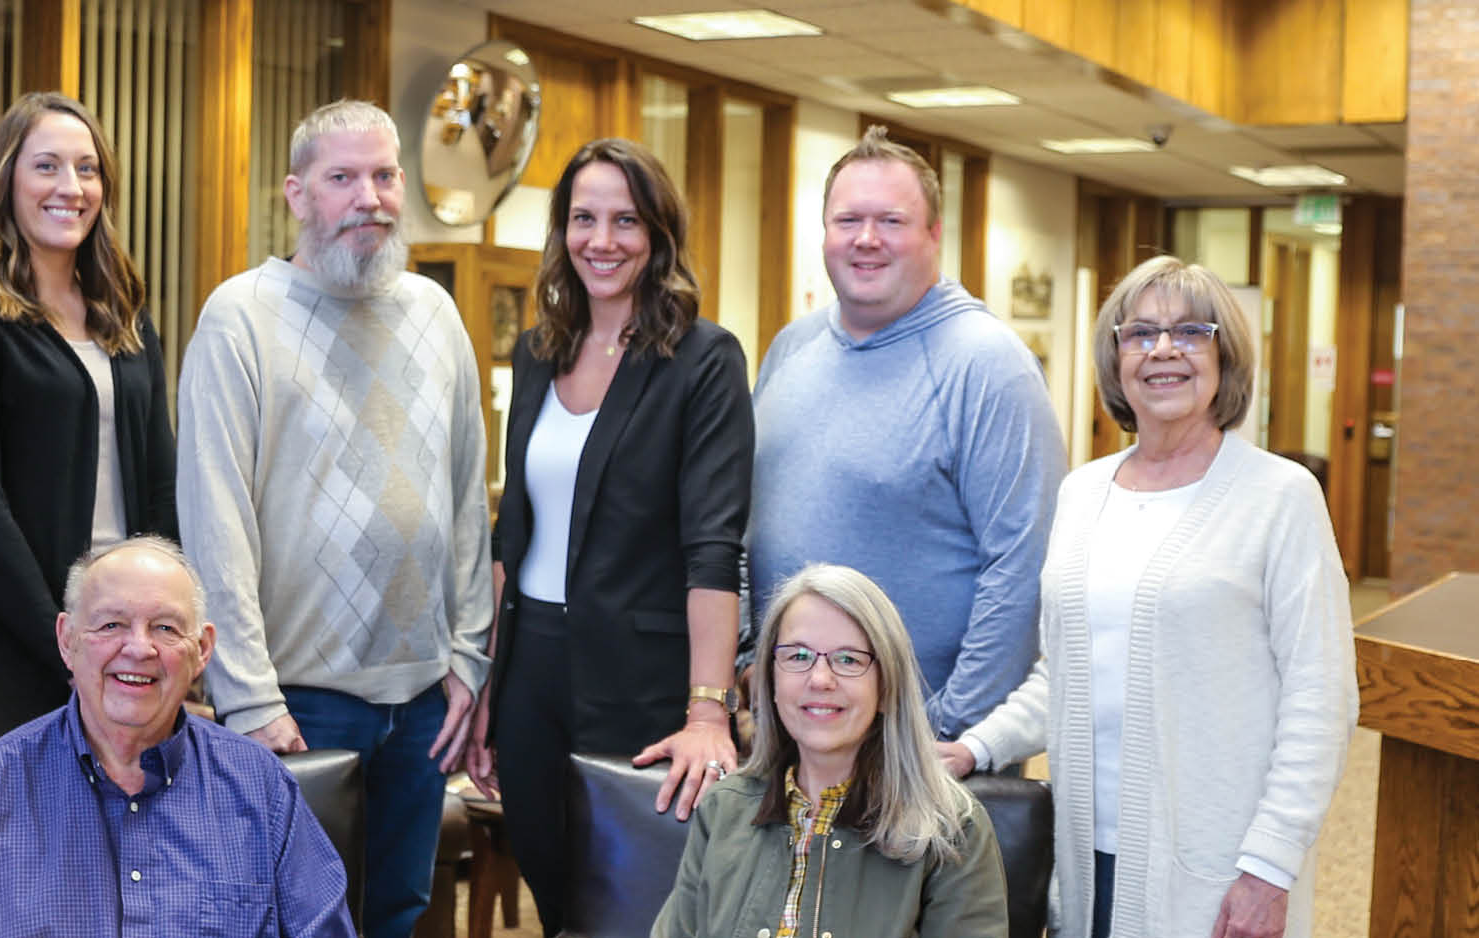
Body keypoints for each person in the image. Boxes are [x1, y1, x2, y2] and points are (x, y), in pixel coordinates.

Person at [943, 256, 1357, 938]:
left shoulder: (1279, 497)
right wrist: (976, 746)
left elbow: (1322, 697)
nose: (1163, 350)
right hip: (1084, 856)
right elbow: (1067, 672)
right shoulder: (1083, 493)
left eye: (1191, 331)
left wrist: (1270, 867)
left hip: (1218, 867)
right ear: (1116, 359)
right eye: (1140, 333)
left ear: (1225, 356)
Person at [176, 99, 493, 938]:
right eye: (343, 178)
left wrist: (467, 656)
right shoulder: (240, 317)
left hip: (424, 699)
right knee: (287, 921)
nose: (371, 198)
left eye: (385, 176)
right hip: (299, 702)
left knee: (398, 913)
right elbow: (216, 520)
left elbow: (467, 498)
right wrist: (246, 697)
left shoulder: (436, 313)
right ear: (296, 193)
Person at [464, 138, 753, 937]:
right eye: (584, 219)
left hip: (644, 679)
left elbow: (713, 547)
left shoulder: (703, 360)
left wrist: (707, 711)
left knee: (635, 904)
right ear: (561, 233)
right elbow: (511, 531)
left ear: (659, 235)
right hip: (532, 674)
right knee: (553, 892)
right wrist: (492, 682)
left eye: (626, 220)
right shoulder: (538, 352)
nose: (602, 240)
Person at [749, 125, 1065, 742]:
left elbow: (1022, 569)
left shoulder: (988, 364)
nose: (866, 240)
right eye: (848, 221)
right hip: (788, 730)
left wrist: (947, 732)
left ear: (934, 234)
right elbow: (741, 522)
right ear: (823, 234)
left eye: (891, 221)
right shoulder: (791, 348)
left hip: (922, 750)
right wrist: (747, 670)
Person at [0, 537, 356, 938]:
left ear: (202, 649)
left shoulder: (264, 789)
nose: (139, 648)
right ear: (67, 640)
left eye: (165, 628)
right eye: (112, 625)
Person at [0, 92, 175, 751]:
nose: (71, 187)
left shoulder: (127, 316)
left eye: (87, 169)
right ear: (6, 180)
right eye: (47, 167)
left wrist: (154, 629)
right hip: (1, 652)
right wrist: (64, 639)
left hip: (119, 652)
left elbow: (161, 488)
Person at [654, 564, 1008, 938]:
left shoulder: (954, 830)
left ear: (887, 686)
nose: (820, 679)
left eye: (849, 659)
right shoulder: (723, 808)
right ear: (770, 679)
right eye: (798, 656)